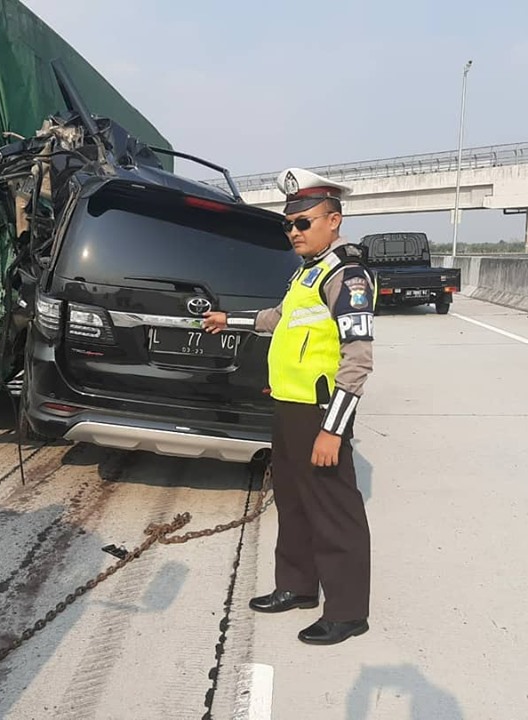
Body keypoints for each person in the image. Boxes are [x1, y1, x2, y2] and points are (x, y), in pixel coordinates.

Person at [202, 167, 376, 646]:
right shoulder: (308, 272)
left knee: (334, 507)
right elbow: (278, 319)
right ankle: (297, 587)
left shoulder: (349, 277)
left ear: (334, 221)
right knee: (294, 500)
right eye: (289, 224)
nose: (294, 231)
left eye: (304, 222)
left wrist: (334, 430)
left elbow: (358, 360)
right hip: (289, 406)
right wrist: (228, 319)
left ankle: (347, 611)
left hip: (322, 412)